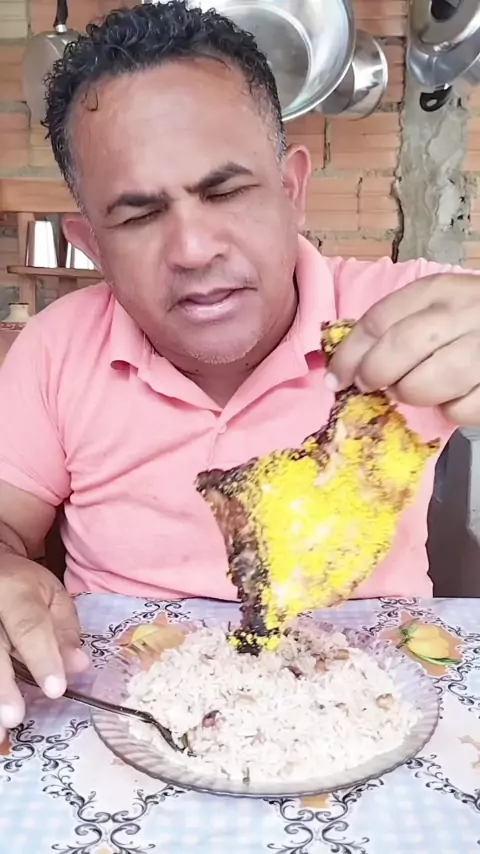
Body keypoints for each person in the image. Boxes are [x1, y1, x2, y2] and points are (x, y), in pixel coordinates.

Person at [0, 0, 479, 740]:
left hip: (374, 712)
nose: (194, 249)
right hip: (127, 719)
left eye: (225, 191)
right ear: (91, 245)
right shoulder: (56, 346)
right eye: (138, 215)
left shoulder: (406, 314)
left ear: (291, 191)